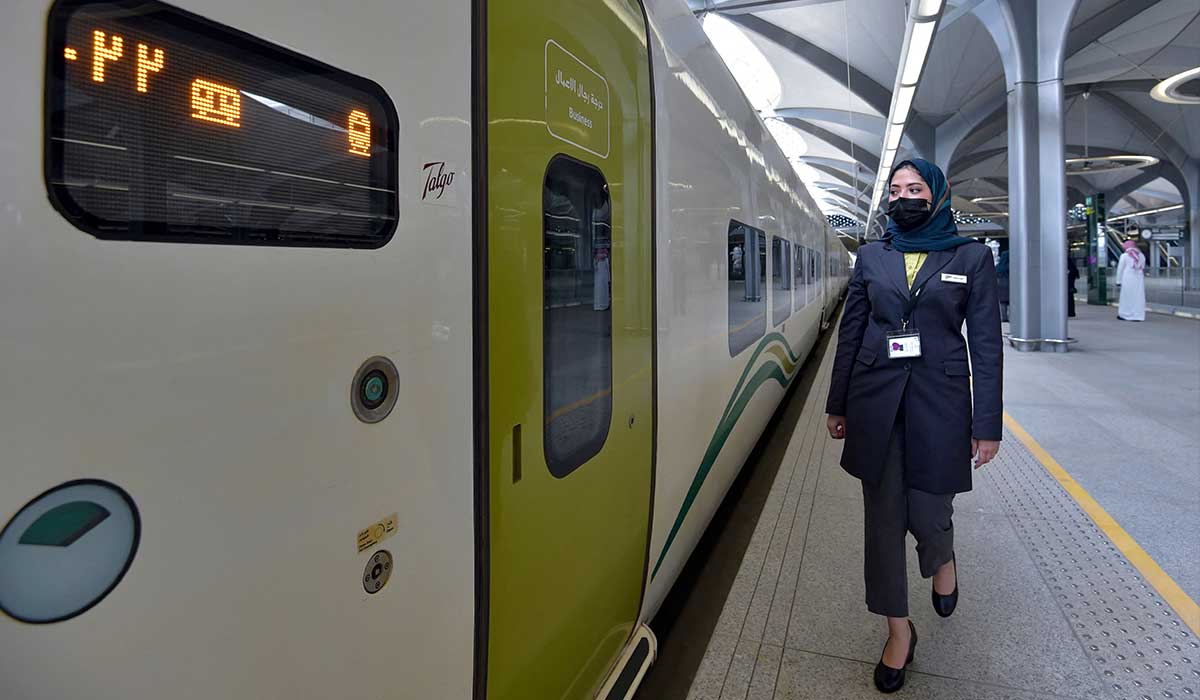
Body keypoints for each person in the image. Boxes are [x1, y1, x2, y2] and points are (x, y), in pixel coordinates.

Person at [825, 158, 1003, 694]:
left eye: (916, 188)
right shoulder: (873, 255)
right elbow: (852, 331)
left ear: (938, 194)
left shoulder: (969, 256)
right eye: (897, 189)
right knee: (882, 526)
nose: (905, 197)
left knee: (929, 513)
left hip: (941, 403)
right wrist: (838, 404)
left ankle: (942, 555)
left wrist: (988, 423)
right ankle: (899, 632)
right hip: (875, 400)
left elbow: (987, 344)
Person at [1116, 240, 1146, 321]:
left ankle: (1125, 314)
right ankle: (1138, 315)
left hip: (1127, 279)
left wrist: (1118, 281)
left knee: (1126, 297)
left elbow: (1120, 269)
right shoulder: (1141, 255)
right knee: (1138, 297)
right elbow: (1143, 268)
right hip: (1139, 279)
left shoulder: (1125, 256)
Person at [995, 250, 1010, 322]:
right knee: (1011, 303)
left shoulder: (998, 267)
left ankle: (1003, 318)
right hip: (1010, 286)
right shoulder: (1010, 266)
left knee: (1002, 303)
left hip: (1001, 286)